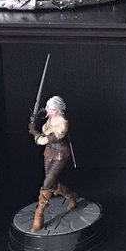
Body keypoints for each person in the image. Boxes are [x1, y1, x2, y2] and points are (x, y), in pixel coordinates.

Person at [30, 95, 77, 231]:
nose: (50, 112)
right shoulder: (50, 117)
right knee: (51, 183)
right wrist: (34, 121)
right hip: (49, 152)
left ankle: (39, 213)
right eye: (49, 109)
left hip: (60, 154)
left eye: (53, 110)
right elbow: (44, 131)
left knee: (47, 183)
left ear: (59, 109)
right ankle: (70, 195)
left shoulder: (62, 123)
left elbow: (44, 140)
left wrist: (34, 132)